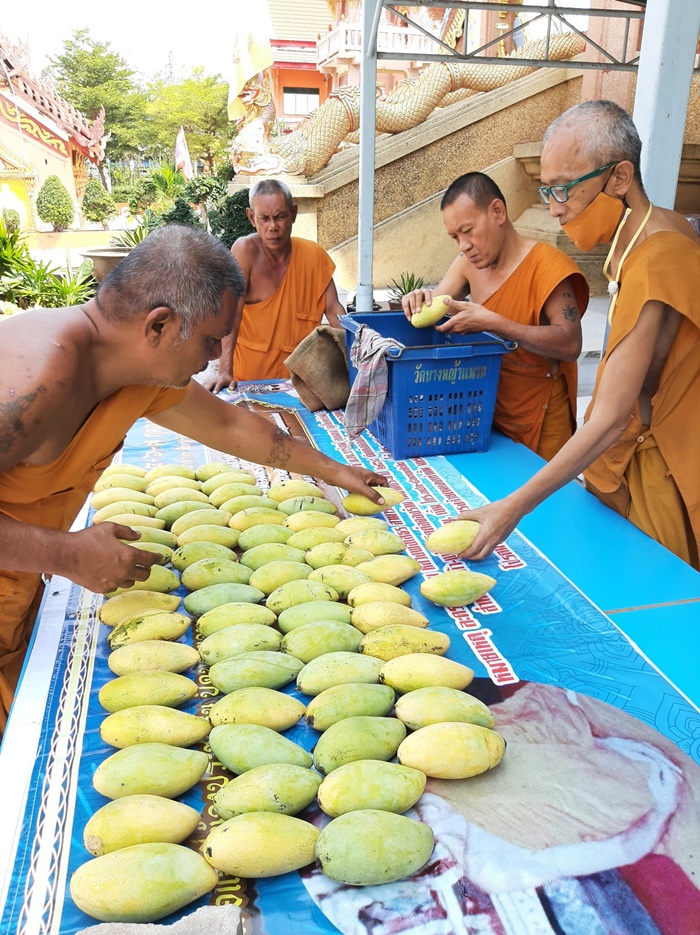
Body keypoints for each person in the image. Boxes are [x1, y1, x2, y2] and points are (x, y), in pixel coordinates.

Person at [0, 224, 386, 733]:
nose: (211, 358)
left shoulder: (131, 369)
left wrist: (334, 471)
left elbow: (227, 423)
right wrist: (66, 553)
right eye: (210, 340)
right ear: (158, 325)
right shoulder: (36, 376)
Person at [459, 101, 700, 568]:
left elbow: (609, 418)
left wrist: (513, 508)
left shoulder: (658, 256)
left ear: (619, 178)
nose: (554, 209)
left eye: (564, 190)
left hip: (661, 467)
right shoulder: (653, 234)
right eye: (546, 191)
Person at [402, 172, 589, 461]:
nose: (463, 245)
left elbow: (570, 344)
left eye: (468, 230)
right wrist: (417, 300)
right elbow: (437, 308)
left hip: (541, 415)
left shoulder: (547, 265)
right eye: (455, 237)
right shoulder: (467, 265)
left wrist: (495, 323)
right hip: (485, 407)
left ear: (498, 212)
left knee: (541, 501)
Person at [203, 179, 346, 392]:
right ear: (251, 217)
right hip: (249, 383)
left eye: (280, 217)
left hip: (301, 386)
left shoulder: (313, 256)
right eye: (264, 218)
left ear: (294, 213)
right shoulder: (245, 251)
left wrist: (359, 354)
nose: (273, 227)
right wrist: (225, 371)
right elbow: (231, 315)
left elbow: (335, 314)